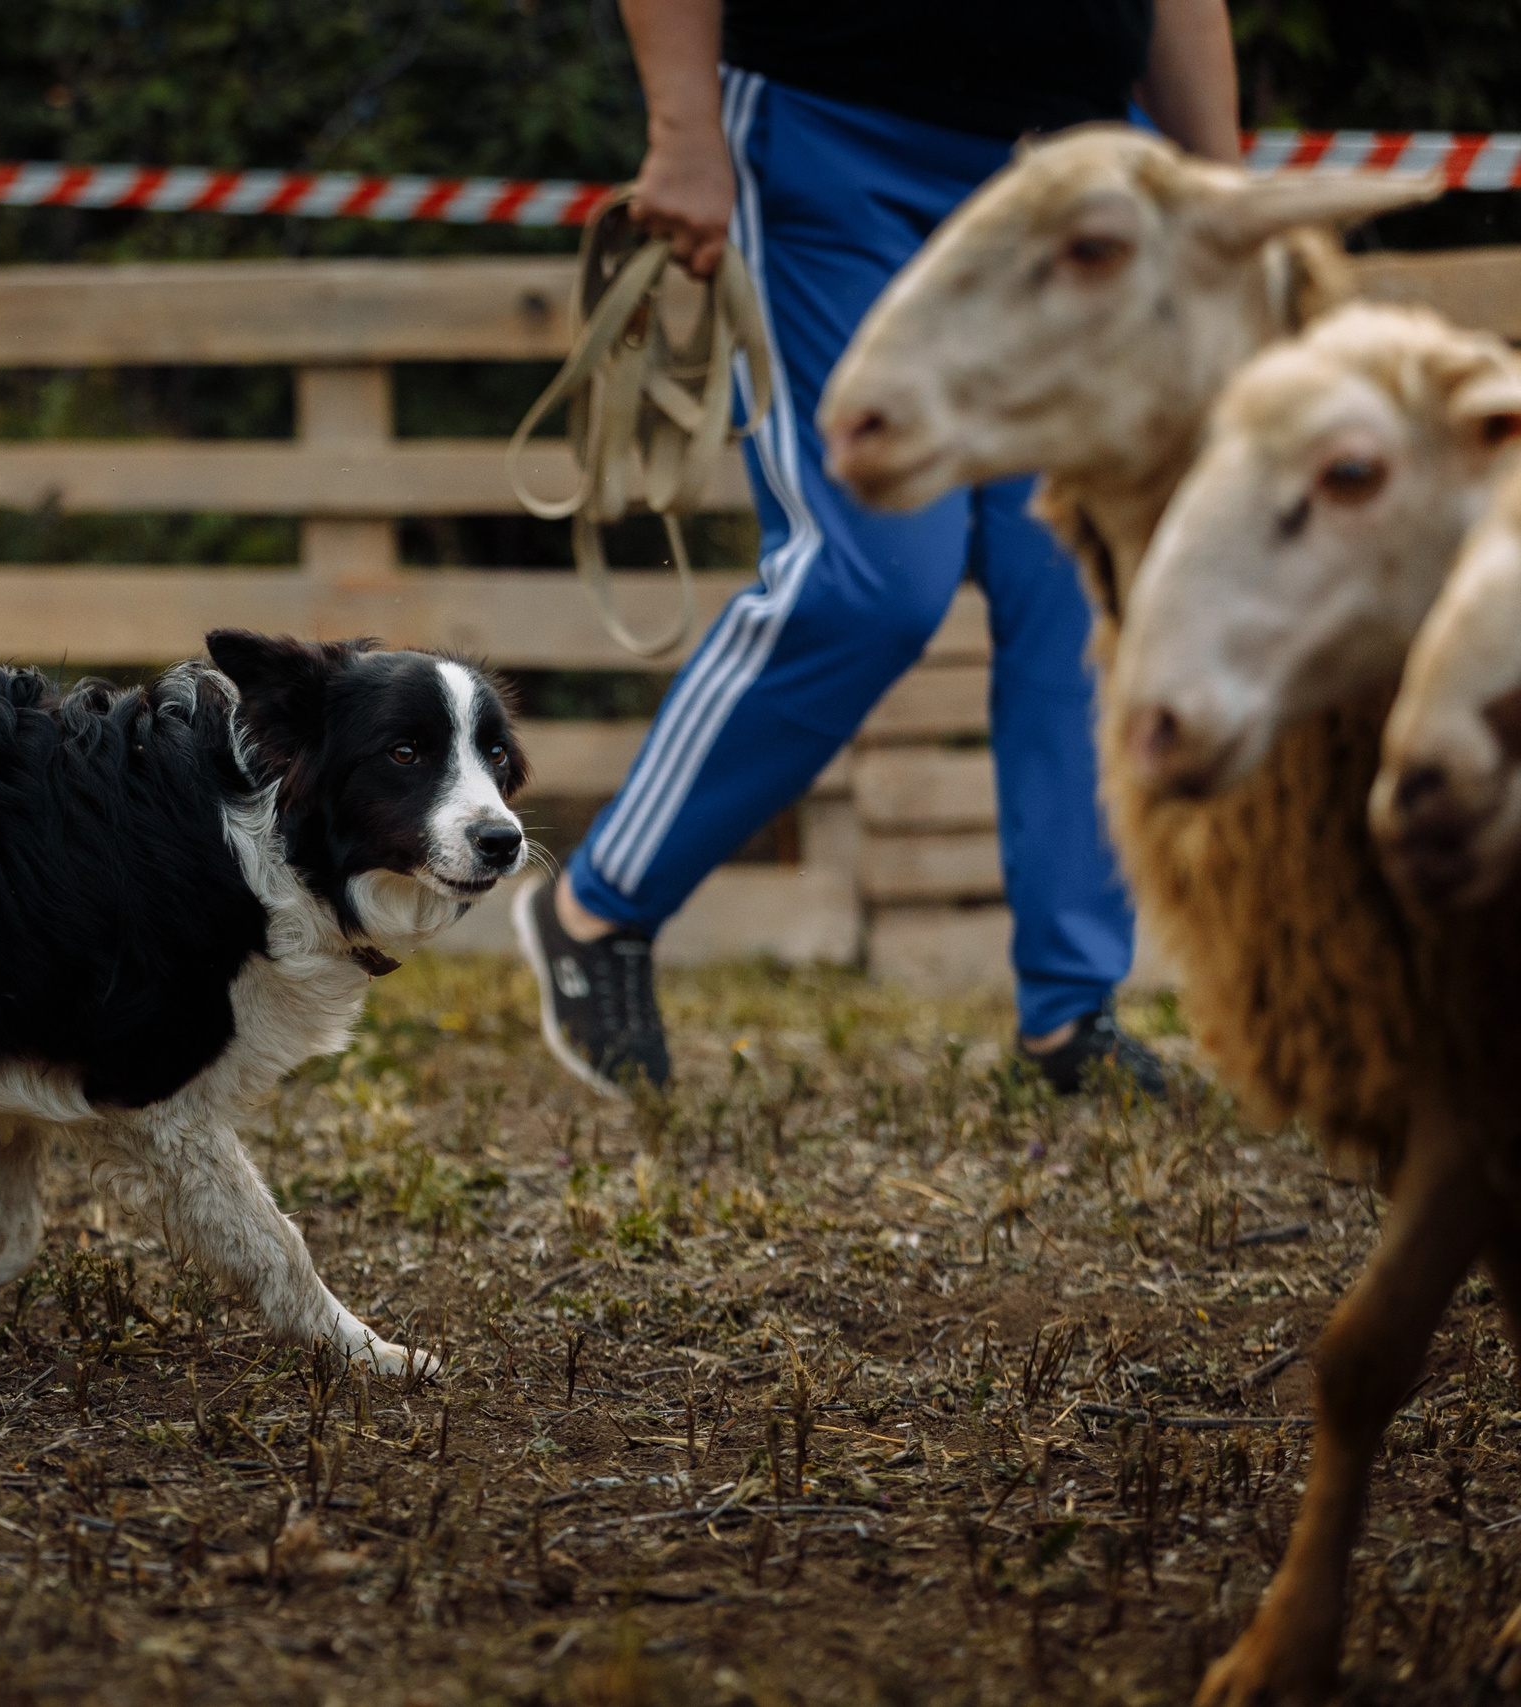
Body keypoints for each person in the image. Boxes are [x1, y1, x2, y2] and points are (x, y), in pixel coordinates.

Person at [514, 0, 1240, 1097]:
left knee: (1078, 581)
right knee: (872, 580)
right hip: (828, 149)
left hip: (1071, 177)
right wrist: (683, 132)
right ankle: (598, 908)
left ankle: (1070, 1012)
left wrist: (1221, 195)